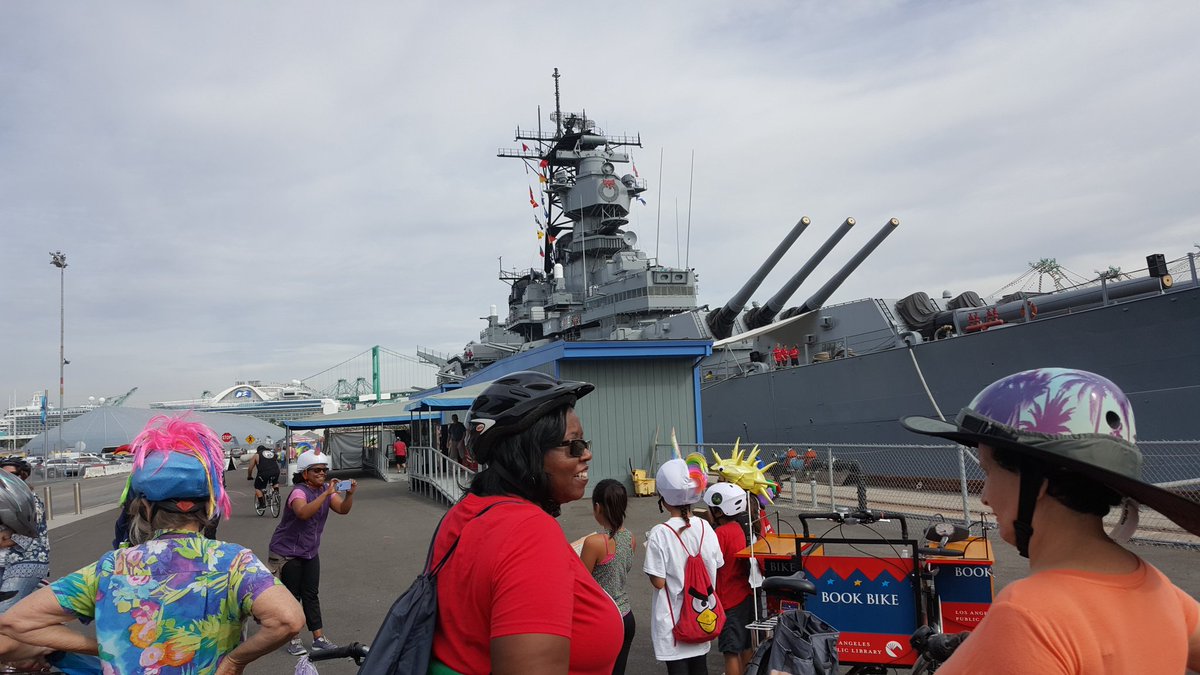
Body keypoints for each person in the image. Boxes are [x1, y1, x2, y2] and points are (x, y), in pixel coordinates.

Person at [901, 367, 1200, 673]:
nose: (985, 497)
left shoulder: (1026, 617)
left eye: (989, 472)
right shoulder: (1161, 590)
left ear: (1038, 481)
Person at [0, 416, 304, 674]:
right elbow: (287, 620)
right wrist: (235, 661)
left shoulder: (112, 567)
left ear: (144, 508)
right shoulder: (234, 562)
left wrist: (106, 647)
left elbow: (14, 624)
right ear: (210, 508)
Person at [429, 371, 622, 674]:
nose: (587, 453)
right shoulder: (529, 533)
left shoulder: (466, 513)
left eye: (584, 442)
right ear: (527, 451)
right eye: (573, 445)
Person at [268, 450, 356, 656]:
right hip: (287, 552)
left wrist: (349, 495)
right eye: (316, 470)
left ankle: (319, 638)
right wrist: (326, 494)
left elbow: (343, 509)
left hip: (309, 551)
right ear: (304, 473)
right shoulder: (298, 492)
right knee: (292, 596)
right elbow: (303, 513)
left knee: (311, 594)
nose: (322, 473)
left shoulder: (327, 489)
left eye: (324, 470)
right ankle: (293, 639)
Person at [645, 457, 724, 675]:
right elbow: (717, 565)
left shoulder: (660, 533)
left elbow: (658, 582)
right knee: (701, 668)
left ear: (664, 498)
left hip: (673, 625)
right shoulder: (706, 527)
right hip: (703, 619)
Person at [580, 479, 637, 675]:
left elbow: (581, 583)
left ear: (597, 507)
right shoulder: (630, 537)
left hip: (603, 618)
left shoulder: (593, 543)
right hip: (626, 615)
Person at [703, 482, 755, 675]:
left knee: (730, 651)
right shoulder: (739, 528)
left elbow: (710, 563)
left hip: (728, 601)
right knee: (746, 647)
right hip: (744, 595)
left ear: (717, 512)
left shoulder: (720, 533)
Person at [0, 458, 49, 614]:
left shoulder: (31, 501)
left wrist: (7, 536)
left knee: (4, 614)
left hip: (24, 563)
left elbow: (12, 538)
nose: (9, 479)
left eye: (13, 474)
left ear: (23, 476)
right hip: (2, 564)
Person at [246, 444, 282, 510]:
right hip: (276, 471)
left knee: (258, 487)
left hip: (264, 473)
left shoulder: (256, 455)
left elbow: (250, 468)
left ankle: (262, 504)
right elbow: (278, 460)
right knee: (275, 482)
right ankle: (277, 494)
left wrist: (249, 476)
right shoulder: (272, 453)